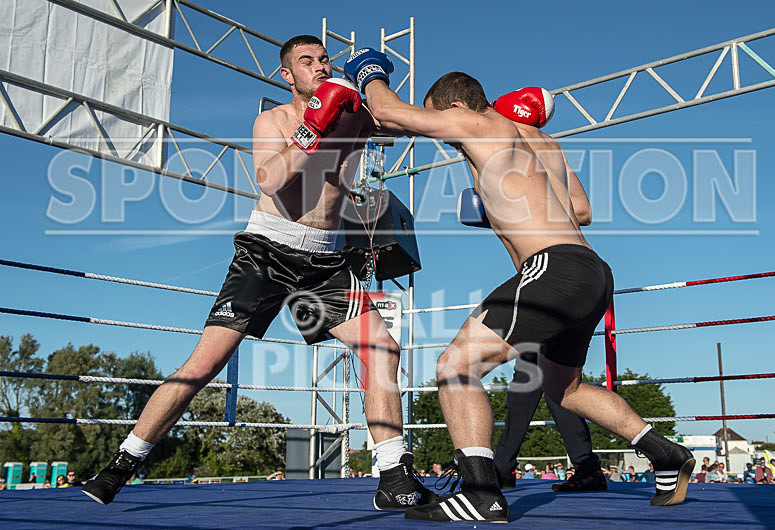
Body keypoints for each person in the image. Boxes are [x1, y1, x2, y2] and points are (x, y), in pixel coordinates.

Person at [82, 35, 438, 512]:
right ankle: (123, 462)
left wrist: (372, 80)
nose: (318, 66)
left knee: (380, 347)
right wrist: (315, 124)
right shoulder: (273, 120)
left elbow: (406, 123)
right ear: (287, 75)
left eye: (324, 59)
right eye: (306, 61)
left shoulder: (354, 115)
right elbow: (270, 179)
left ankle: (393, 475)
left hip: (325, 262)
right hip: (267, 250)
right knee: (204, 365)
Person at [347, 49, 695, 522]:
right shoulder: (540, 141)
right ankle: (665, 453)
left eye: (439, 118)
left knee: (455, 366)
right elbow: (582, 211)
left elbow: (390, 113)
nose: (444, 137)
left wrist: (369, 74)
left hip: (550, 268)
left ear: (453, 108)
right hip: (591, 270)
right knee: (565, 389)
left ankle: (480, 491)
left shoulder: (477, 124)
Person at [490, 87, 606, 494]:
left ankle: (502, 467)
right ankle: (586, 467)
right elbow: (585, 211)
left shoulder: (505, 139)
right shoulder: (553, 149)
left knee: (528, 379)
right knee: (545, 378)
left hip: (546, 277)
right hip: (575, 274)